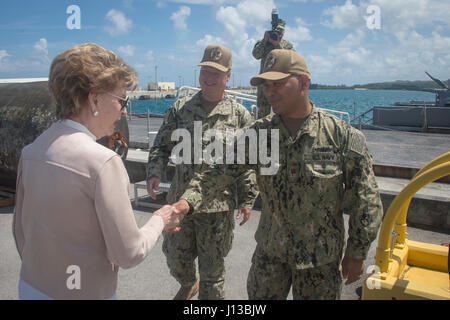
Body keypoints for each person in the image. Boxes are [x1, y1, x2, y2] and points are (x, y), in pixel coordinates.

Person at [183, 49, 383, 300]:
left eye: (277, 83)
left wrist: (356, 252)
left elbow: (367, 200)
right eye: (266, 85)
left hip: (319, 263)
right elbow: (218, 171)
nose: (269, 92)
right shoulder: (258, 134)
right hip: (270, 256)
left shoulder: (340, 136)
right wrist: (186, 202)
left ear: (304, 83)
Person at [13, 43, 182, 300]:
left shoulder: (31, 151)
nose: (124, 110)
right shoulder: (103, 162)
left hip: (30, 288)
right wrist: (160, 218)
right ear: (94, 99)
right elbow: (128, 253)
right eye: (122, 100)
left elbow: (20, 234)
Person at [146, 44, 258, 300]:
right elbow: (162, 144)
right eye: (205, 71)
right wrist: (154, 171)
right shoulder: (181, 109)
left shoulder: (240, 116)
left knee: (213, 273)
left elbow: (247, 163)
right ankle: (188, 283)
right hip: (179, 201)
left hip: (217, 208)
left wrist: (248, 198)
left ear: (228, 76)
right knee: (175, 258)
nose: (208, 78)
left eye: (215, 74)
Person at [252, 19, 294, 119]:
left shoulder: (287, 45)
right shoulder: (264, 42)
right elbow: (256, 55)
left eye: (281, 31)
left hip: (281, 84)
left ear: (284, 31)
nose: (279, 33)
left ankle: (277, 134)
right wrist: (264, 40)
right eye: (277, 30)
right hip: (265, 84)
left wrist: (277, 44)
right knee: (263, 113)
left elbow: (291, 59)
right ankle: (263, 135)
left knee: (282, 111)